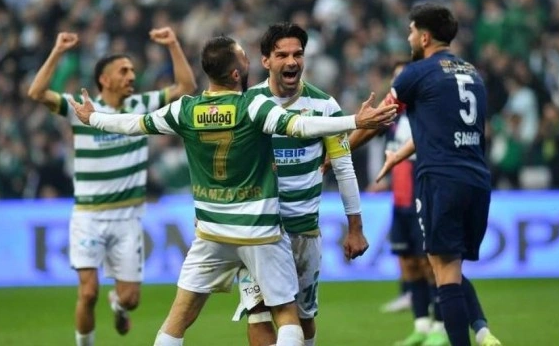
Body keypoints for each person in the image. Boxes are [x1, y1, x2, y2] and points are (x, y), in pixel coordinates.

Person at [67, 35, 398, 346]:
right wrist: (355, 121)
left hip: (212, 233)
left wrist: (94, 118)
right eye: (244, 57)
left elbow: (134, 124)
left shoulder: (185, 109)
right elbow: (300, 125)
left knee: (177, 319)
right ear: (237, 72)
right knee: (287, 315)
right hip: (259, 232)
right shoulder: (252, 106)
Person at [27, 27, 197, 346]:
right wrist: (58, 51)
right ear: (104, 79)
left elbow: (186, 87)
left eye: (132, 70)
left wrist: (174, 44)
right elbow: (36, 93)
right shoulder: (81, 108)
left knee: (131, 299)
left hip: (127, 217)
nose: (132, 75)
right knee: (88, 292)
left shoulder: (142, 104)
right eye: (124, 71)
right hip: (88, 216)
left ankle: (118, 305)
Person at [233, 22, 370, 346]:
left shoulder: (325, 106)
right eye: (282, 55)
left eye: (297, 54)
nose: (292, 61)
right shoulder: (247, 103)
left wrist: (355, 228)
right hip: (259, 230)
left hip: (304, 230)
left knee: (304, 316)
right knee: (258, 312)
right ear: (266, 61)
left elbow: (344, 168)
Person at [377, 3, 502, 346]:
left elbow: (376, 120)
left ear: (424, 36)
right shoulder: (471, 72)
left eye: (411, 31)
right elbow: (443, 130)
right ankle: (480, 331)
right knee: (448, 267)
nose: (408, 37)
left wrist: (337, 151)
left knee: (443, 269)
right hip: (475, 177)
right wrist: (398, 157)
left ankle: (467, 334)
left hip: (440, 180)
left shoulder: (418, 74)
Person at [346, 61, 447, 346]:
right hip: (399, 202)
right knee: (409, 263)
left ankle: (440, 327)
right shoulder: (394, 120)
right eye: (395, 78)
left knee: (429, 264)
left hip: (422, 200)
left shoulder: (425, 115)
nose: (398, 83)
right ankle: (421, 326)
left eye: (402, 77)